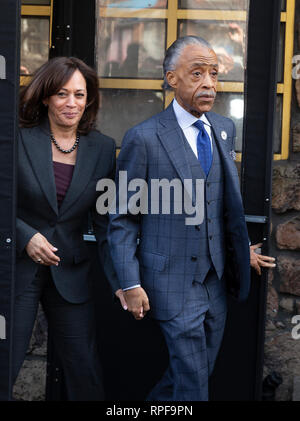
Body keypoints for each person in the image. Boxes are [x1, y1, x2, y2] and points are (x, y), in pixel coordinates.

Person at [108, 36, 276, 401]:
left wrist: (239, 249)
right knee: (193, 384)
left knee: (195, 374)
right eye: (197, 73)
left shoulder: (223, 128)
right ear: (172, 78)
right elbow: (122, 218)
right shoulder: (144, 138)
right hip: (170, 283)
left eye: (214, 74)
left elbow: (221, 204)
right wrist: (131, 283)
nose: (209, 83)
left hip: (215, 282)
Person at [15, 57, 126, 401]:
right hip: (17, 270)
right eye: (62, 94)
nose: (71, 103)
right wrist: (25, 236)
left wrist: (123, 280)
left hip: (70, 273)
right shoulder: (17, 139)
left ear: (89, 99)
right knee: (6, 361)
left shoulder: (104, 148)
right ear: (46, 96)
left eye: (80, 94)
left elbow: (107, 225)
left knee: (84, 370)